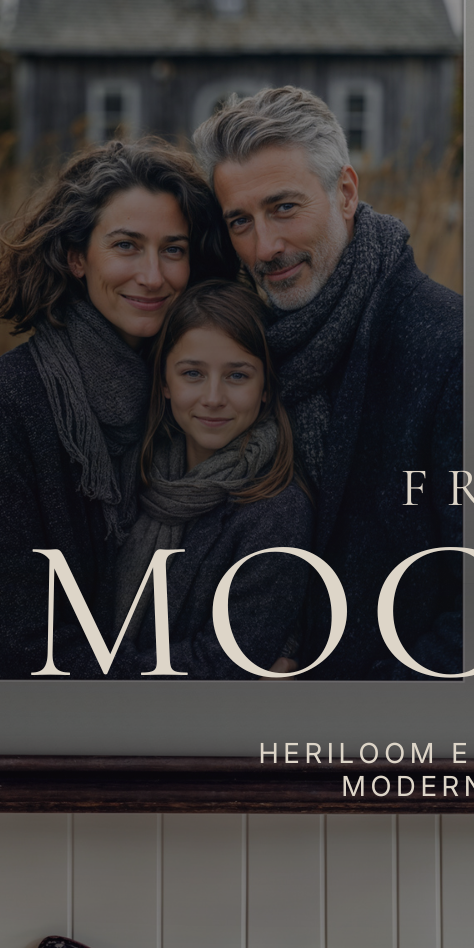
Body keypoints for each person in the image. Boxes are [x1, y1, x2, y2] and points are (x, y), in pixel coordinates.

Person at [190, 86, 463, 680]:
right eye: (241, 221)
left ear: (344, 192)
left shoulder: (450, 349)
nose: (265, 247)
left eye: (284, 208)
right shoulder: (242, 354)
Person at [0, 138, 233, 678]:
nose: (153, 276)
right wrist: (225, 673)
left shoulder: (200, 394)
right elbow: (21, 650)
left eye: (173, 249)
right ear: (77, 256)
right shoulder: (14, 403)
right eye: (126, 246)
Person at [110, 279, 314, 679]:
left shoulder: (277, 514)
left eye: (237, 376)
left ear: (265, 389)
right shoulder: (134, 476)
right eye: (192, 374)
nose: (213, 397)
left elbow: (221, 664)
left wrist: (81, 674)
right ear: (165, 383)